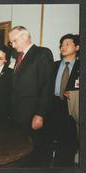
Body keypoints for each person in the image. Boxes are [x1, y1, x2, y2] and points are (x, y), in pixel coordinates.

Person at [8, 26, 55, 167]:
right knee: (21, 154)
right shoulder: (19, 58)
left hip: (32, 116)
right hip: (18, 116)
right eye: (11, 43)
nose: (13, 45)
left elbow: (47, 87)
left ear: (25, 36)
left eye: (15, 41)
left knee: (35, 156)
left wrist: (40, 114)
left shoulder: (42, 53)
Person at [51, 34, 79, 167]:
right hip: (53, 107)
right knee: (50, 144)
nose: (63, 47)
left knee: (68, 147)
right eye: (62, 44)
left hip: (71, 110)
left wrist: (75, 95)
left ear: (77, 47)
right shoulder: (53, 65)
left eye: (68, 44)